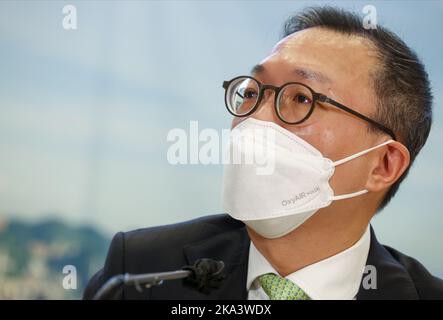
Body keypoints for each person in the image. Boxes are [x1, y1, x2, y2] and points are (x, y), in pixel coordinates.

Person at [84, 6, 443, 300]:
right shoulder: (141, 270)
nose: (254, 119)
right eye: (251, 93)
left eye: (301, 98)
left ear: (383, 164)